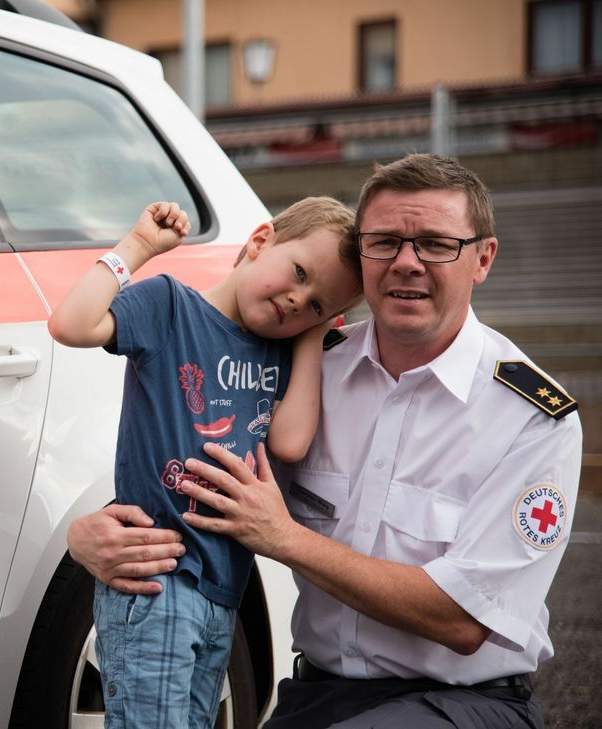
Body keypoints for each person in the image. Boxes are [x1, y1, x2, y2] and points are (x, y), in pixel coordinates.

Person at [66, 154, 583, 729]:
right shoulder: (304, 372)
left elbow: (464, 621)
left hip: (465, 703)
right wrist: (92, 534)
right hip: (317, 693)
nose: (406, 263)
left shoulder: (531, 418)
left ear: (482, 259)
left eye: (436, 245)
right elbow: (200, 465)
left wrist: (285, 538)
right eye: (384, 242)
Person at [49, 197, 362, 728]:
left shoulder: (279, 351)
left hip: (223, 591)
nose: (297, 300)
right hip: (157, 579)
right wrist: (137, 247)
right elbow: (70, 325)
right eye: (299, 273)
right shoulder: (170, 306)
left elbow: (290, 443)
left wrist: (312, 333)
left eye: (316, 305)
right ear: (259, 241)